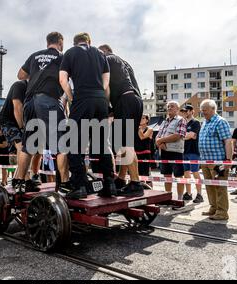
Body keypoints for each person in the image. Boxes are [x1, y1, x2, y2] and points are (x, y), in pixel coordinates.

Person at [60, 32, 116, 199]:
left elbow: (63, 79)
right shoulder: (100, 54)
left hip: (82, 98)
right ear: (89, 42)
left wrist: (71, 98)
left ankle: (80, 185)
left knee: (73, 144)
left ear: (75, 42)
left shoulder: (70, 52)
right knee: (100, 144)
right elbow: (106, 82)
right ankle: (109, 184)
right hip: (100, 100)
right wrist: (101, 97)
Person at [16, 31, 69, 193]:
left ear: (47, 43)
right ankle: (66, 184)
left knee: (28, 145)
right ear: (60, 42)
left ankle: (19, 181)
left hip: (30, 102)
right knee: (62, 145)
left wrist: (37, 73)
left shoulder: (35, 56)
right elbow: (65, 79)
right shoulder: (62, 57)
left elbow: (20, 75)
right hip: (49, 101)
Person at [98, 44, 145, 197]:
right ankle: (121, 178)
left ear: (103, 52)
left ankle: (136, 183)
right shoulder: (125, 63)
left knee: (125, 144)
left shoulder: (107, 59)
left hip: (124, 100)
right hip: (135, 100)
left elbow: (106, 86)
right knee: (125, 143)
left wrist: (106, 107)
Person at [198, 99, 233, 221]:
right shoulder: (205, 122)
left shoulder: (220, 122)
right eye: (202, 110)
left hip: (218, 162)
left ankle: (222, 212)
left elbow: (228, 142)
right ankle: (214, 208)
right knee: (209, 186)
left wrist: (228, 160)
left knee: (220, 187)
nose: (203, 112)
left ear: (213, 109)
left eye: (205, 110)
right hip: (205, 161)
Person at [156, 101, 187, 201]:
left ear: (177, 109)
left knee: (179, 176)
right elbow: (157, 136)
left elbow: (177, 136)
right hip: (164, 152)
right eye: (168, 107)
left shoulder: (181, 120)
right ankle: (168, 198)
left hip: (176, 152)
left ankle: (179, 199)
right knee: (167, 176)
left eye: (172, 106)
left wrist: (161, 140)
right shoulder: (165, 121)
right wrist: (159, 143)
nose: (169, 108)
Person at [180, 104, 203, 203]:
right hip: (184, 151)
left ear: (191, 111)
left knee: (195, 172)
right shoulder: (183, 123)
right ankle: (188, 193)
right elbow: (186, 135)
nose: (184, 113)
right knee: (186, 173)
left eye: (186, 111)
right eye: (183, 111)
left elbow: (191, 135)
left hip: (194, 151)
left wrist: (181, 136)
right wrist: (185, 136)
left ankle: (199, 194)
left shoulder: (196, 122)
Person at [135, 115, 154, 185]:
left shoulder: (150, 129)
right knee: (138, 174)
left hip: (145, 154)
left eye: (143, 118)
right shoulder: (136, 129)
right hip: (136, 153)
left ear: (147, 120)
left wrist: (138, 128)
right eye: (140, 118)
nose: (140, 119)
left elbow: (142, 137)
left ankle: (151, 189)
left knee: (146, 174)